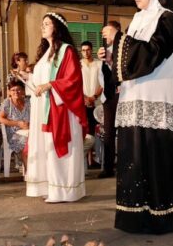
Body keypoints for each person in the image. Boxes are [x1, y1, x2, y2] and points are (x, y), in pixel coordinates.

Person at [100, 0, 173, 234]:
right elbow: (130, 62)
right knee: (136, 159)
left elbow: (153, 54)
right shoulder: (137, 20)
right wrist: (111, 56)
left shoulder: (168, 19)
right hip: (135, 102)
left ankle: (166, 217)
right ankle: (137, 216)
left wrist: (119, 39)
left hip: (158, 100)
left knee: (157, 161)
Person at [25, 12, 87, 203]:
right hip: (44, 105)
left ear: (57, 27)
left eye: (47, 24)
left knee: (58, 147)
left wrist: (50, 85)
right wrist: (27, 79)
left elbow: (73, 80)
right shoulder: (46, 53)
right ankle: (50, 186)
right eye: (42, 24)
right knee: (47, 148)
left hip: (61, 108)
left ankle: (65, 190)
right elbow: (41, 80)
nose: (42, 27)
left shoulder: (66, 51)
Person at [98, 20, 121, 179]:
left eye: (109, 31)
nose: (105, 35)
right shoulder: (103, 51)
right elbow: (101, 76)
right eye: (103, 32)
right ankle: (107, 167)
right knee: (108, 134)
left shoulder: (123, 51)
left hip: (123, 95)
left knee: (125, 133)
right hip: (109, 97)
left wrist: (111, 61)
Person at [79, 40, 103, 168]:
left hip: (97, 102)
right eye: (83, 50)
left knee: (96, 131)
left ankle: (96, 158)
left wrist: (93, 97)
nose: (86, 52)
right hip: (82, 102)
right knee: (85, 130)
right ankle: (87, 160)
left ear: (92, 50)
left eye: (88, 49)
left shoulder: (99, 64)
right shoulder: (78, 65)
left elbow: (102, 83)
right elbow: (76, 84)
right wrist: (84, 98)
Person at [0, 80, 30, 169]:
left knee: (34, 140)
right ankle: (28, 170)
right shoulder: (7, 103)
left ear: (23, 91)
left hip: (29, 132)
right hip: (13, 135)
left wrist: (29, 124)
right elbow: (0, 118)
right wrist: (18, 123)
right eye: (13, 90)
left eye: (18, 89)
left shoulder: (28, 102)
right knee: (26, 143)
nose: (16, 92)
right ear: (9, 92)